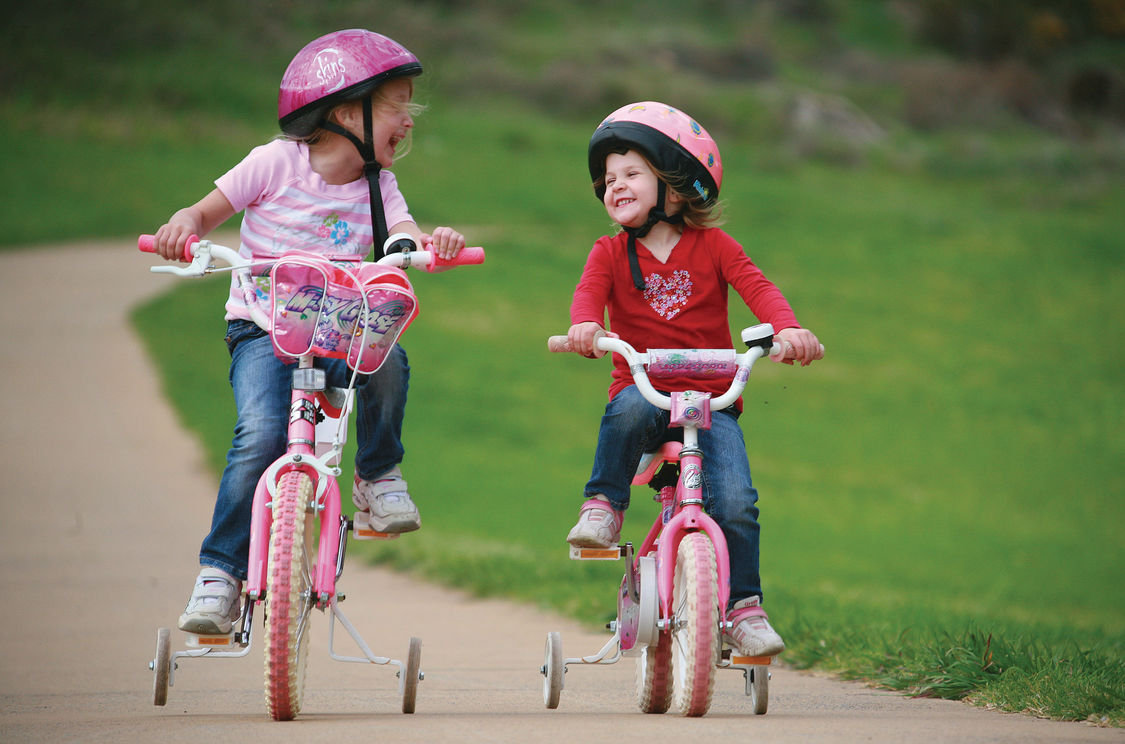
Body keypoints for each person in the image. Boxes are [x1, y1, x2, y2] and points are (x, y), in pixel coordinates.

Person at [151, 29, 466, 635]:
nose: (409, 119)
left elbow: (401, 236)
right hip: (264, 331)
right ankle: (220, 573)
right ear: (347, 111)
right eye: (398, 105)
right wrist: (183, 225)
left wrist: (428, 246)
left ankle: (377, 476)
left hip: (342, 328)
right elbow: (204, 213)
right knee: (260, 432)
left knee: (388, 361)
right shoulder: (274, 163)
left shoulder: (379, 184)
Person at [563, 101, 822, 657]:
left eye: (631, 173)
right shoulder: (609, 252)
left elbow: (759, 289)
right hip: (647, 389)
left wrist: (789, 329)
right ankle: (604, 506)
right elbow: (588, 298)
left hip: (713, 401)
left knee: (736, 501)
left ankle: (744, 609)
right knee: (627, 411)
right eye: (609, 178)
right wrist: (584, 325)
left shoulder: (715, 248)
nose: (616, 185)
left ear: (675, 187)